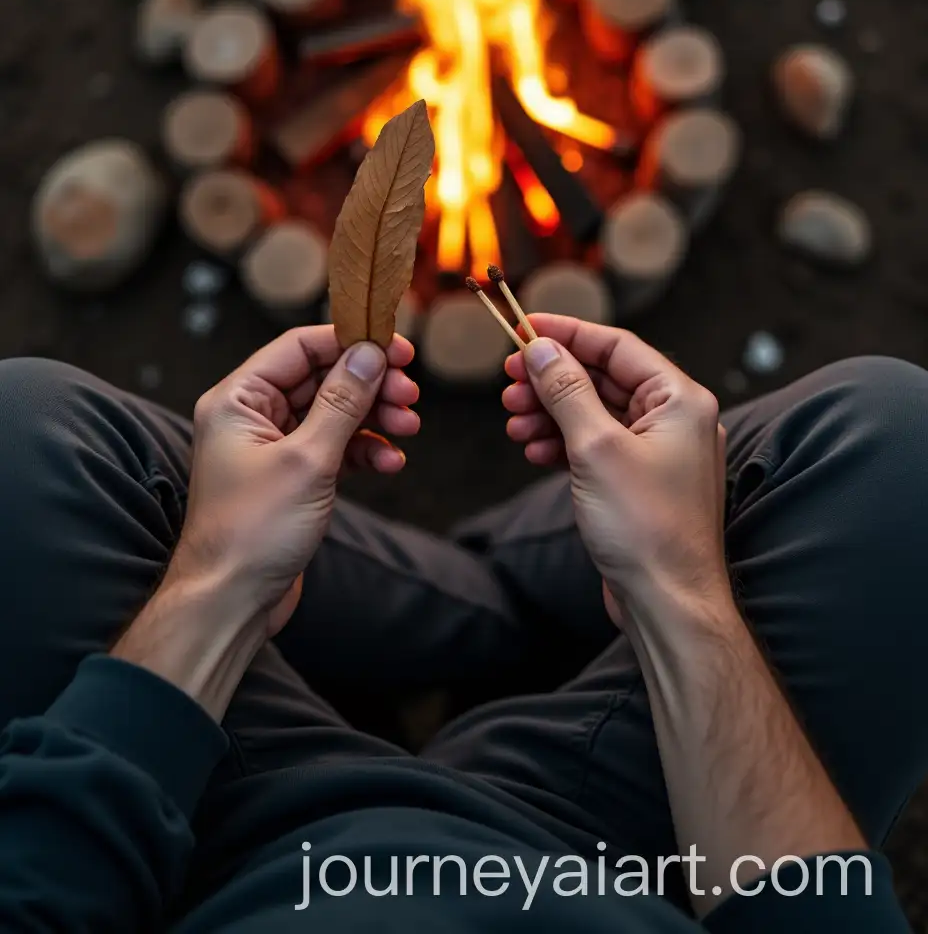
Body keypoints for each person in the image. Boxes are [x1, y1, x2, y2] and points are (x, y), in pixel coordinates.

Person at [0, 315, 923, 931]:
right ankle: (517, 617)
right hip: (630, 867)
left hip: (215, 847)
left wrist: (222, 580)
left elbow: (41, 878)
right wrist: (677, 590)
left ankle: (472, 618)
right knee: (894, 456)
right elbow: (814, 914)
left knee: (27, 433)